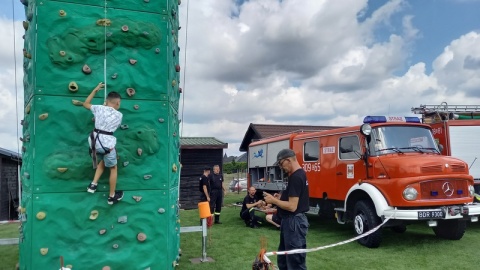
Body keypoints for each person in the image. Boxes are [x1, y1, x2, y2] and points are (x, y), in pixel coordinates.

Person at [264, 149, 309, 270]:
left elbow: (292, 206)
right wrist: (281, 197)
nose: (280, 167)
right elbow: (293, 199)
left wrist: (274, 201)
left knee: (295, 263)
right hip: (290, 222)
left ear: (288, 160)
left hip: (294, 222)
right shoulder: (298, 175)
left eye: (280, 163)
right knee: (283, 260)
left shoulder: (296, 177)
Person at [84, 82, 124, 205]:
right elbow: (113, 125)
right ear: (117, 103)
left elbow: (85, 104)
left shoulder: (98, 108)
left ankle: (93, 184)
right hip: (106, 144)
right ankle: (112, 197)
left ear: (107, 101)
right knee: (113, 167)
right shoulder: (119, 115)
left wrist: (95, 90)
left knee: (104, 160)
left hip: (93, 141)